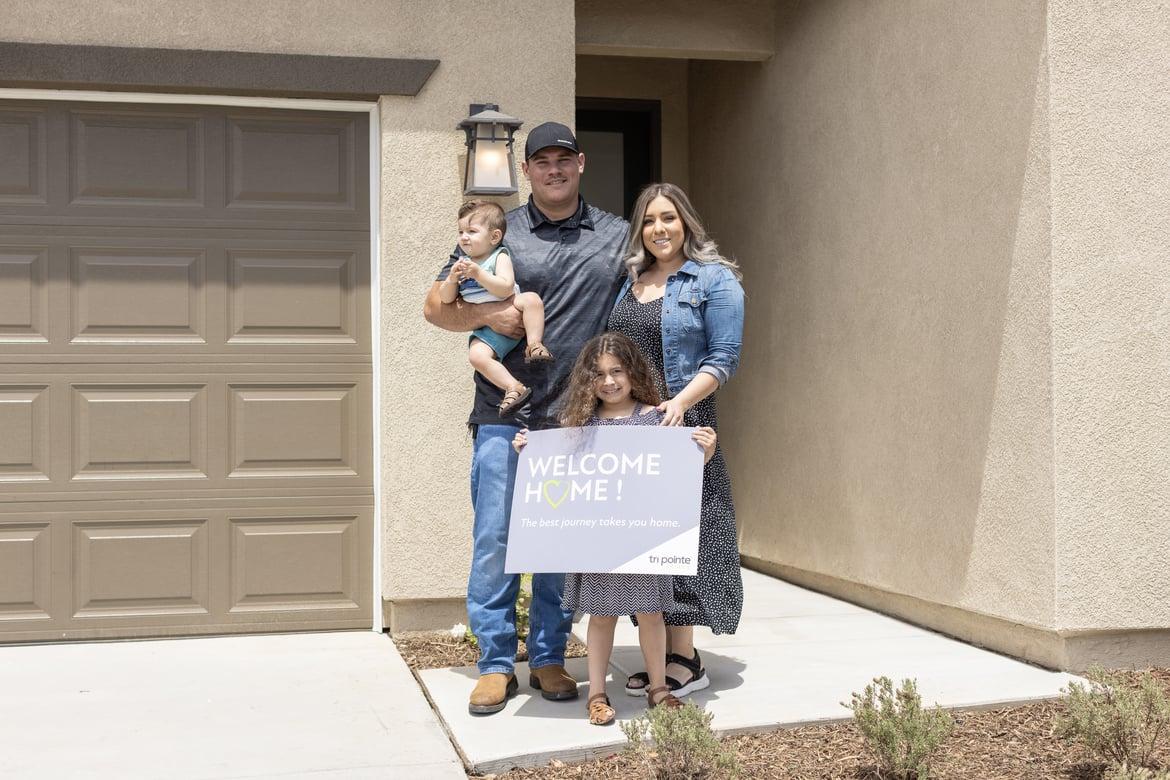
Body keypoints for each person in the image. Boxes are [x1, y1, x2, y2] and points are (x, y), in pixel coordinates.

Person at [422, 122, 628, 715]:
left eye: (564, 159)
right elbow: (435, 307)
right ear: (527, 170)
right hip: (503, 413)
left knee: (559, 545)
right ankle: (493, 664)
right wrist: (489, 320)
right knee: (495, 539)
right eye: (542, 161)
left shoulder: (615, 235)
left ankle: (547, 657)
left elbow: (659, 280)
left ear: (581, 163)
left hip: (575, 415)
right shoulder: (498, 231)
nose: (554, 169)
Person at [511, 333, 718, 725]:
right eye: (599, 374)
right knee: (601, 616)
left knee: (651, 614)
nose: (609, 381)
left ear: (633, 372)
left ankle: (659, 689)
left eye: (617, 371)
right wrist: (532, 452)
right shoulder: (578, 427)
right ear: (587, 380)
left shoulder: (659, 419)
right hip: (598, 541)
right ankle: (597, 695)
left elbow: (676, 475)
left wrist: (702, 453)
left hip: (643, 540)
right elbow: (558, 475)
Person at [607, 182, 745, 699]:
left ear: (686, 222)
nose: (658, 229)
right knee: (646, 539)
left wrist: (681, 403)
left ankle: (685, 656)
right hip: (635, 426)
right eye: (648, 220)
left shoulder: (714, 279)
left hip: (682, 423)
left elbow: (723, 357)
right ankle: (658, 653)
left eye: (668, 218)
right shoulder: (632, 281)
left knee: (685, 537)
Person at [438, 199, 554, 416]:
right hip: (487, 329)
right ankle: (513, 387)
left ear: (494, 237)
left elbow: (505, 288)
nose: (464, 237)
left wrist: (478, 274)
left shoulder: (498, 256)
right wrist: (452, 279)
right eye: (461, 231)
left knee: (531, 300)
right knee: (476, 356)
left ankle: (534, 344)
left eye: (472, 231)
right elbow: (445, 299)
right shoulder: (461, 263)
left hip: (512, 306)